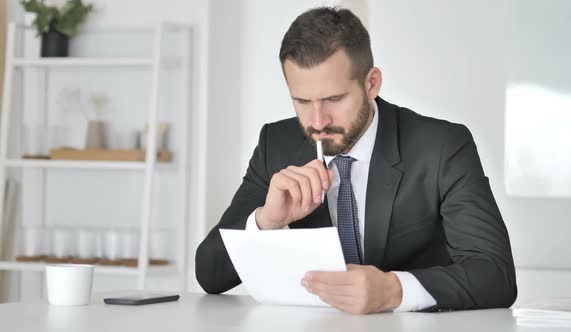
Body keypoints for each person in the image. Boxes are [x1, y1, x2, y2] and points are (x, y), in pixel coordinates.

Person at [195, 6, 517, 314]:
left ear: (371, 83)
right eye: (302, 101)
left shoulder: (442, 147)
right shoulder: (275, 145)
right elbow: (209, 274)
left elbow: (496, 275)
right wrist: (267, 221)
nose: (318, 121)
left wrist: (394, 290)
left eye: (334, 99)